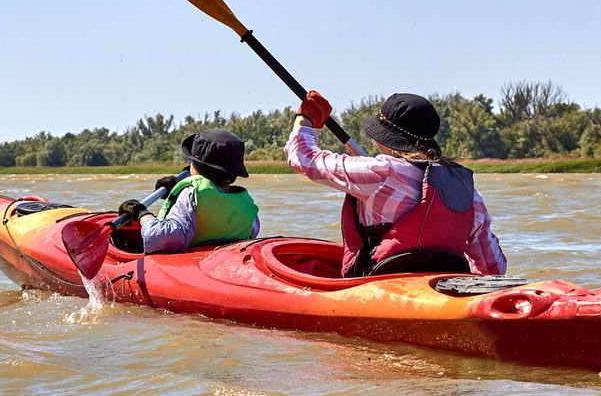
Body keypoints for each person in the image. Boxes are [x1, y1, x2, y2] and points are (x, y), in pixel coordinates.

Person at [285, 91, 507, 277]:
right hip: (440, 288)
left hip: (379, 285)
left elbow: (303, 157)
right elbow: (492, 268)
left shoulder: (381, 172)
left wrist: (305, 119)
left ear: (385, 138)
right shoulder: (467, 189)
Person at [118, 128, 260, 254]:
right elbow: (251, 233)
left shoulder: (190, 193)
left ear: (197, 165)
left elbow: (162, 238)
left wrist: (141, 213)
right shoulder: (246, 202)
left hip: (193, 266)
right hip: (225, 261)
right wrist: (175, 192)